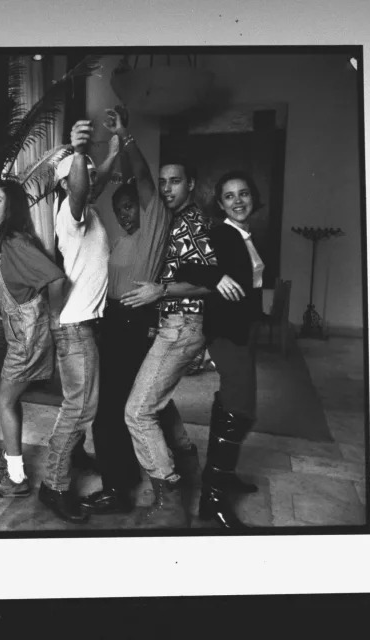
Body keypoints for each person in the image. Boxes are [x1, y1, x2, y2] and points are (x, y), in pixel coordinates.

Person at [120, 159, 245, 528]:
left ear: (191, 184)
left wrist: (160, 290)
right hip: (172, 324)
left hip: (183, 325)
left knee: (137, 411)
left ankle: (170, 500)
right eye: (163, 182)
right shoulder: (176, 220)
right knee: (155, 400)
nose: (167, 189)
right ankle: (187, 463)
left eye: (175, 181)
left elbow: (210, 281)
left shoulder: (193, 223)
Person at [80, 107, 186, 516]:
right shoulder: (124, 240)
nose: (126, 213)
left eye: (132, 207)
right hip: (113, 323)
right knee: (111, 407)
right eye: (121, 208)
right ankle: (123, 478)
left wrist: (125, 137)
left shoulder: (154, 222)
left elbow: (142, 179)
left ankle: (116, 490)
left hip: (130, 324)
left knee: (108, 413)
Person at [32, 119, 118, 523]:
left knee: (82, 405)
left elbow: (96, 180)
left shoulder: (89, 211)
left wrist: (116, 145)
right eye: (81, 175)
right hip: (75, 328)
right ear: (67, 184)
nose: (89, 179)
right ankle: (54, 487)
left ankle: (75, 456)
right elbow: (83, 186)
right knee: (79, 408)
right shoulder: (71, 210)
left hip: (82, 324)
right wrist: (78, 151)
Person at [175, 170, 266, 528]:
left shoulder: (244, 235)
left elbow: (247, 282)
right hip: (227, 333)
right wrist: (214, 277)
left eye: (244, 193)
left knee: (237, 404)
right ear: (221, 203)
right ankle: (212, 500)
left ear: (253, 198)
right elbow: (183, 266)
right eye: (230, 196)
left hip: (243, 330)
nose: (239, 200)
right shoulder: (222, 233)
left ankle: (222, 479)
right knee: (239, 407)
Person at [0, 180, 66, 501]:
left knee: (3, 400)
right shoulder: (10, 242)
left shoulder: (14, 241)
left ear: (11, 206)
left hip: (29, 338)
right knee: (8, 400)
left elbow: (55, 278)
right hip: (22, 335)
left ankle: (15, 479)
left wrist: (56, 319)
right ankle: (13, 465)